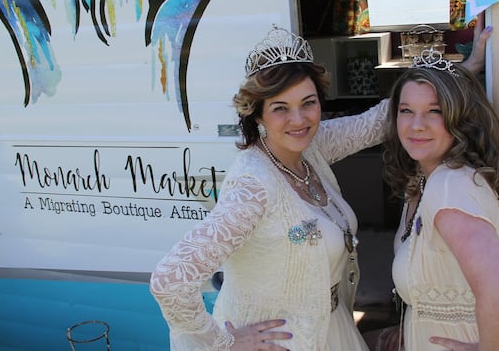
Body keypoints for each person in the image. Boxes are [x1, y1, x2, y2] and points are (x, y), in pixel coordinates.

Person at [149, 26, 390, 350]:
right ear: (258, 114)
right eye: (280, 108)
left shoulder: (310, 148)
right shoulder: (253, 186)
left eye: (309, 103)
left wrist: (454, 75)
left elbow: (377, 122)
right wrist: (226, 343)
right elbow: (171, 280)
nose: (299, 119)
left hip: (332, 328)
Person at [367, 52, 499, 350]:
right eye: (406, 110)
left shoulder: (449, 186)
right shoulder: (422, 181)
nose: (416, 125)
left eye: (434, 111)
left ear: (460, 117)